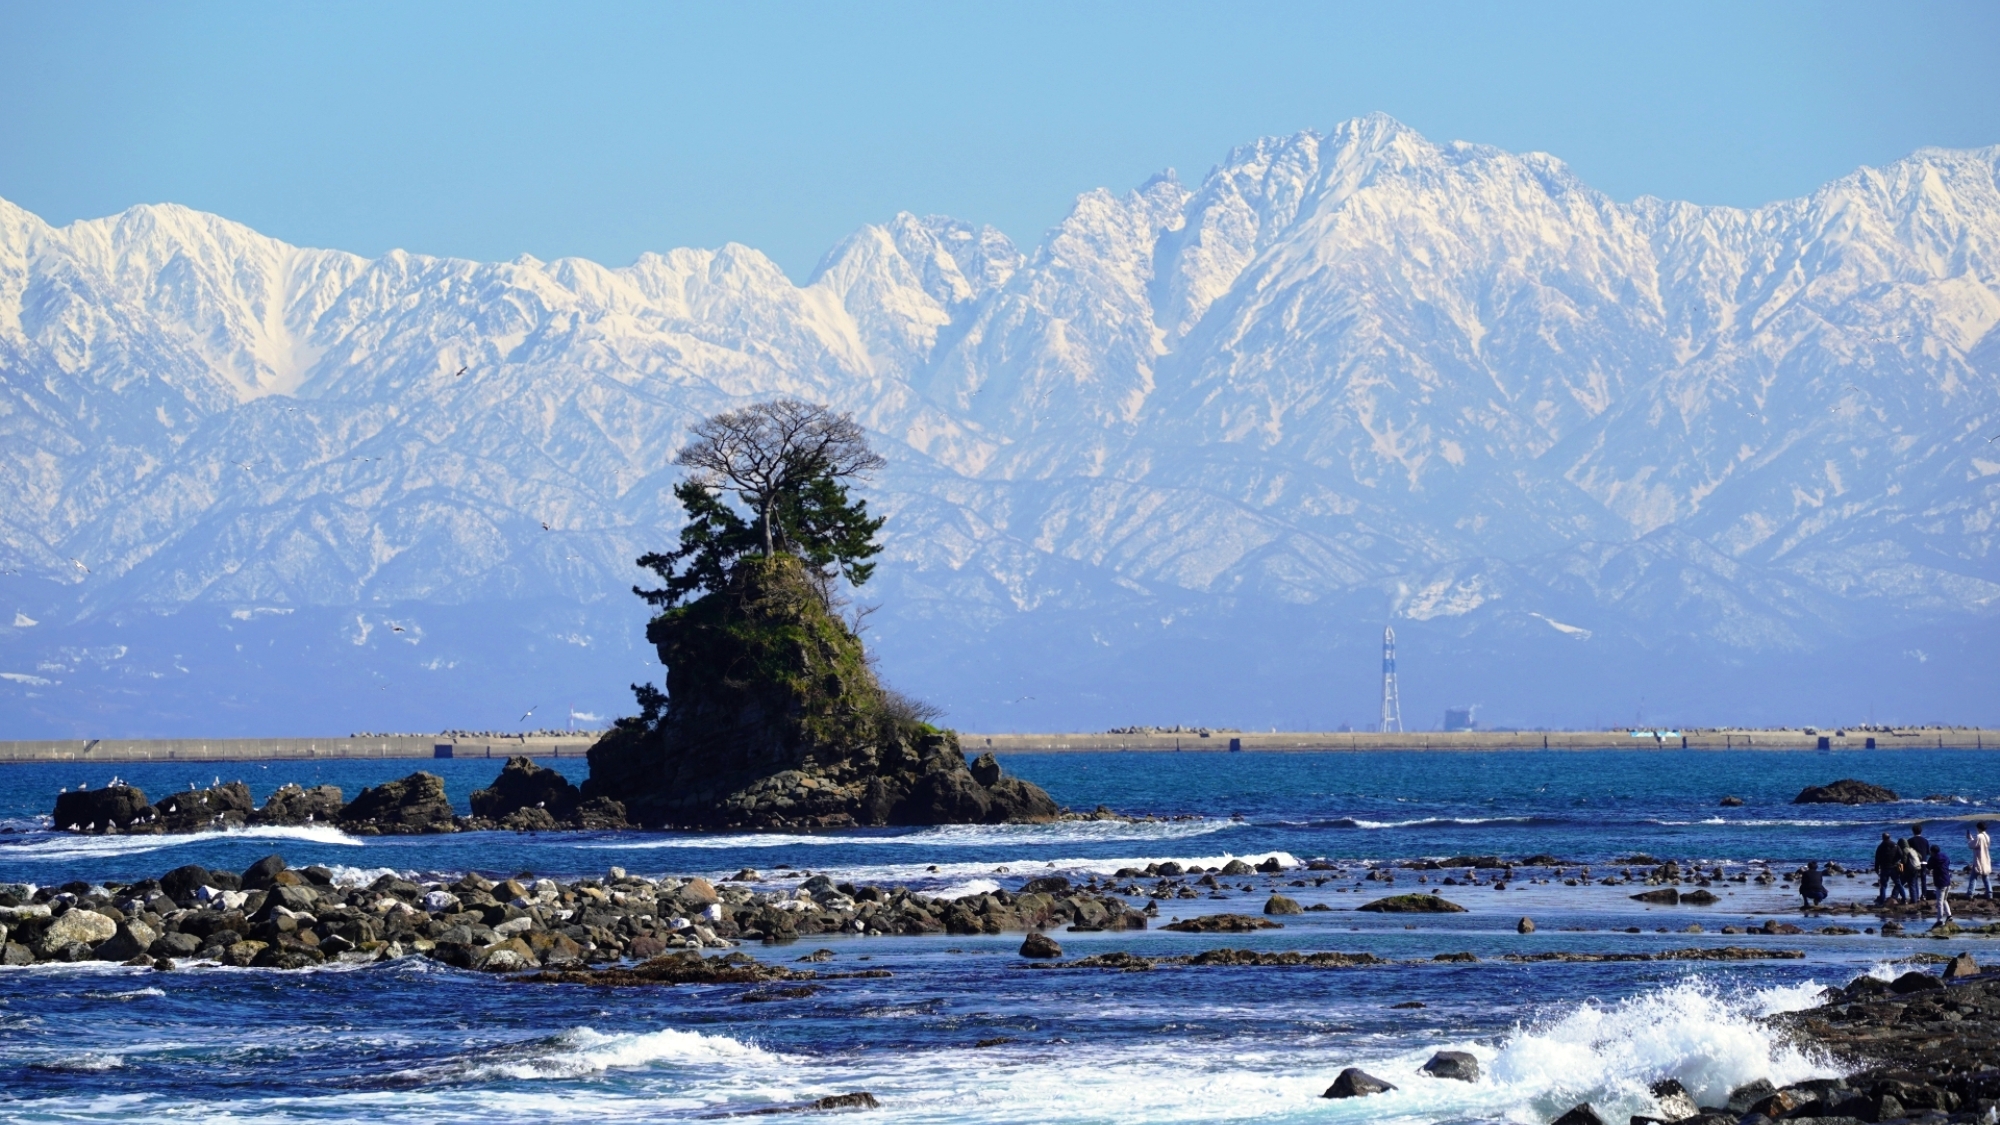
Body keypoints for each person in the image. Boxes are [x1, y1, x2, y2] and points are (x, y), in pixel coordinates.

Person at [1929, 844, 1955, 925]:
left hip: (1940, 882)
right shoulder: (1945, 856)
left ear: (1932, 852)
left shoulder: (1933, 858)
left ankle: (1939, 920)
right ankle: (1949, 916)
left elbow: (1929, 866)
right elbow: (1949, 862)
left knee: (1939, 902)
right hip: (1947, 881)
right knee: (1944, 900)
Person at [1967, 822, 1993, 900]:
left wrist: (1969, 838)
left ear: (1979, 828)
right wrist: (1972, 839)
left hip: (1979, 859)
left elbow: (1971, 845)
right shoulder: (1987, 836)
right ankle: (1989, 893)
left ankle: (1970, 894)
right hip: (1986, 859)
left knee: (1973, 878)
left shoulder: (1979, 836)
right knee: (1985, 877)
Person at [1874, 832, 1901, 904]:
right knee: (1898, 883)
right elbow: (1900, 854)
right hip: (1893, 867)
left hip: (1884, 868)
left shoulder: (1880, 847)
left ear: (1882, 838)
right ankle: (1904, 898)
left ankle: (1882, 900)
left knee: (1883, 885)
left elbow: (1877, 859)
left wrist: (1876, 868)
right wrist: (1895, 861)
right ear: (1890, 837)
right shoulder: (1895, 845)